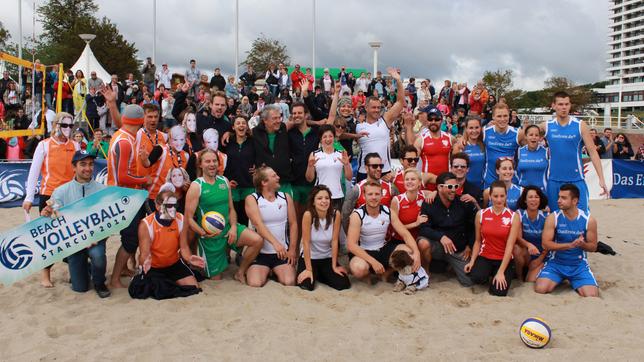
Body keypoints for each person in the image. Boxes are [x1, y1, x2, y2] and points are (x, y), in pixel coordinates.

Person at [184, 149, 263, 283]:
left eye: (214, 161)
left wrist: (233, 227)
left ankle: (240, 272)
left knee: (257, 240)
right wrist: (202, 232)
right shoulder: (197, 186)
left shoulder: (224, 181)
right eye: (208, 161)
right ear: (201, 165)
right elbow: (189, 218)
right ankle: (213, 258)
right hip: (211, 237)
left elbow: (231, 209)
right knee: (216, 279)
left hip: (228, 230)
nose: (212, 164)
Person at [40, 150, 111, 298]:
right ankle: (84, 267)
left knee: (98, 255)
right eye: (83, 164)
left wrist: (97, 236)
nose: (88, 168)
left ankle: (99, 282)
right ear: (74, 167)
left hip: (95, 239)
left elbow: (109, 220)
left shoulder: (103, 190)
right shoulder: (61, 191)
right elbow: (54, 216)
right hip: (73, 243)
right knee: (80, 288)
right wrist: (47, 213)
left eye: (91, 164)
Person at [23, 112, 80, 287]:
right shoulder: (44, 145)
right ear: (56, 125)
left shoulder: (76, 145)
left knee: (72, 235)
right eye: (65, 125)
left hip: (70, 194)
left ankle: (74, 271)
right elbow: (33, 172)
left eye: (71, 126)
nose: (68, 129)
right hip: (50, 195)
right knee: (50, 236)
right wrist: (29, 197)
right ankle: (45, 274)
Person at [106, 104, 152, 288]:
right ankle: (115, 278)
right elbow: (122, 175)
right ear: (140, 122)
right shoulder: (125, 142)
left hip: (125, 193)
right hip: (123, 195)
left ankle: (123, 269)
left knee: (131, 236)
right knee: (131, 238)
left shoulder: (122, 134)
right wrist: (144, 179)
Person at [542, 92, 608, 212]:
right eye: (560, 104)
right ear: (553, 105)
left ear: (570, 105)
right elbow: (525, 135)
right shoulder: (546, 126)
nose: (564, 107)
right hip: (554, 180)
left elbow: (593, 152)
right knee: (555, 219)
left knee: (582, 218)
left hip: (576, 179)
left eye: (566, 104)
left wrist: (601, 179)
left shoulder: (580, 125)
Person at [346, 180, 420, 283]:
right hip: (364, 251)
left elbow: (405, 234)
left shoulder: (388, 211)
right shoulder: (357, 215)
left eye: (377, 194)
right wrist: (373, 262)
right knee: (359, 269)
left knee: (410, 253)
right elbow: (351, 245)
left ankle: (386, 273)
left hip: (383, 248)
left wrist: (417, 253)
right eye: (370, 194)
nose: (374, 197)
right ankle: (368, 277)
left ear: (381, 195)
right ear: (364, 195)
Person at [534, 184, 599, 297]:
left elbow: (593, 247)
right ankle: (559, 278)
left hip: (578, 265)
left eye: (563, 198)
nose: (559, 201)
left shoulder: (589, 220)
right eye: (559, 197)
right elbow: (545, 244)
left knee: (591, 295)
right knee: (541, 289)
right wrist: (570, 245)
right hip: (556, 263)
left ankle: (573, 279)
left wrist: (582, 244)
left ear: (574, 201)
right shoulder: (553, 217)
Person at [417, 172, 477, 285]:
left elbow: (472, 227)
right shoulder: (429, 203)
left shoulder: (463, 203)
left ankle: (450, 265)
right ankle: (425, 271)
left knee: (469, 281)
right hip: (438, 247)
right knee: (423, 243)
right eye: (450, 186)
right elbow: (424, 228)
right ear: (439, 187)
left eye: (456, 186)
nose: (453, 189)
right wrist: (441, 237)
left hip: (458, 249)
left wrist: (470, 245)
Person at [464, 181, 520, 296]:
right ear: (489, 197)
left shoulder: (513, 217)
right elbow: (478, 241)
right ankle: (487, 274)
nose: (499, 199)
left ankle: (498, 273)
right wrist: (472, 261)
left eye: (502, 196)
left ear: (506, 196)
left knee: (499, 292)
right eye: (495, 196)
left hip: (504, 259)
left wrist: (501, 272)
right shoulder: (481, 214)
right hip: (485, 256)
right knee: (475, 277)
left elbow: (510, 246)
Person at [245, 167, 298, 287]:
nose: (278, 177)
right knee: (255, 283)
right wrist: (275, 243)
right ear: (264, 182)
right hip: (260, 253)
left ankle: (274, 270)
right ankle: (264, 270)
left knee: (289, 282)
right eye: (274, 176)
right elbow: (258, 224)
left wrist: (292, 250)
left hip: (282, 253)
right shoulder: (252, 199)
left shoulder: (285, 197)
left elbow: (293, 224)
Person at [138, 190, 203, 289]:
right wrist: (146, 261)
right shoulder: (146, 224)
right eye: (168, 206)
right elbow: (143, 254)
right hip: (153, 267)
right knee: (161, 290)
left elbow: (184, 247)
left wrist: (189, 258)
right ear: (158, 206)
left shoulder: (180, 219)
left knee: (193, 287)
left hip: (173, 264)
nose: (172, 209)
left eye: (175, 206)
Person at [297, 185, 351, 291]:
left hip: (327, 257)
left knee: (343, 284)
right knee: (306, 285)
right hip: (310, 258)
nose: (324, 201)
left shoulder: (336, 214)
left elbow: (335, 241)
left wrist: (334, 265)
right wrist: (308, 269)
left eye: (327, 198)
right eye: (319, 198)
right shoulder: (308, 215)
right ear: (313, 202)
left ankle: (321, 274)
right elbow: (306, 243)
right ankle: (315, 272)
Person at [355, 67, 405, 181]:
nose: (377, 110)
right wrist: (353, 136)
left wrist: (398, 80)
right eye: (373, 107)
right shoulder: (357, 126)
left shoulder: (385, 121)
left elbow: (401, 102)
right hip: (364, 172)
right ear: (366, 107)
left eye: (379, 107)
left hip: (384, 172)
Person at [341, 153, 398, 230]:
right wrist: (352, 236)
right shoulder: (357, 189)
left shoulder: (390, 187)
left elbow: (398, 213)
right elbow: (345, 215)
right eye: (374, 166)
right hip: (363, 239)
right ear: (366, 168)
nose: (378, 169)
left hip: (387, 239)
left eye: (381, 166)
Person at [306, 125, 353, 210]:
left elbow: (349, 178)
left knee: (336, 221)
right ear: (320, 139)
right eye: (324, 137)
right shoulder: (314, 154)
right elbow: (309, 179)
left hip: (337, 195)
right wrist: (310, 166)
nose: (328, 139)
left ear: (334, 138)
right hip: (320, 196)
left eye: (330, 136)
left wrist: (346, 164)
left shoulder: (341, 154)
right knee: (320, 222)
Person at [252, 104, 293, 195]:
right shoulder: (255, 132)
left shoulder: (283, 128)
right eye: (274, 118)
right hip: (264, 183)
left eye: (279, 117)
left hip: (284, 182)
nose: (278, 121)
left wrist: (318, 123)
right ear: (265, 120)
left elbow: (300, 121)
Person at [222, 116, 255, 226]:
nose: (241, 125)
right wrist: (226, 181)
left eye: (243, 123)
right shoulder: (227, 142)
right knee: (233, 218)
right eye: (238, 123)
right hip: (233, 185)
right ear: (233, 127)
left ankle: (245, 241)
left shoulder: (253, 142)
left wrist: (258, 168)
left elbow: (261, 158)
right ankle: (234, 242)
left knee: (245, 219)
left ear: (247, 126)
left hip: (248, 185)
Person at [413, 106, 454, 190]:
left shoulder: (450, 138)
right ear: (427, 121)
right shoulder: (421, 140)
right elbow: (412, 162)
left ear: (441, 120)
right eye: (430, 119)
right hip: (428, 186)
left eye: (436, 119)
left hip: (446, 185)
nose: (433, 122)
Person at [482, 103, 520, 189]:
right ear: (493, 117)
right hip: (490, 181)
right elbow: (468, 136)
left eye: (505, 116)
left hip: (511, 181)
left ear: (509, 116)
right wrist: (463, 139)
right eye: (499, 116)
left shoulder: (518, 133)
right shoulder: (485, 132)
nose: (502, 119)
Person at [515, 186, 549, 282]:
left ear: (540, 199)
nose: (533, 200)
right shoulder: (519, 214)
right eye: (530, 197)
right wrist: (528, 245)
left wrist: (539, 259)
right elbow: (518, 237)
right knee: (516, 249)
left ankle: (535, 270)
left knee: (530, 280)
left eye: (536, 197)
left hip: (542, 255)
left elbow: (549, 242)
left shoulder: (547, 216)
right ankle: (519, 278)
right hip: (527, 253)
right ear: (525, 200)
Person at [453, 116, 485, 188]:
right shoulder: (460, 146)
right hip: (464, 187)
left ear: (481, 128)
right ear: (466, 129)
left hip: (482, 186)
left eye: (477, 127)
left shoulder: (484, 144)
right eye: (471, 128)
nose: (474, 131)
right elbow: (453, 169)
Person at [516, 124, 548, 192]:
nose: (534, 137)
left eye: (536, 135)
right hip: (523, 192)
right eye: (531, 135)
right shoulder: (519, 151)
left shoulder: (546, 152)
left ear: (539, 138)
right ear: (526, 136)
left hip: (541, 192)